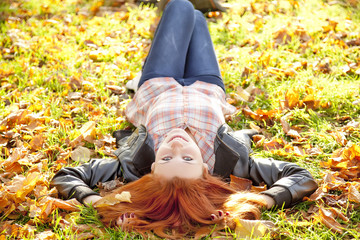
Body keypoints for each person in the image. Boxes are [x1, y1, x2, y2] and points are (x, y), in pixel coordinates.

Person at [51, 0, 318, 238]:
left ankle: (167, 22)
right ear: (204, 170)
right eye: (187, 159)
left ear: (153, 170)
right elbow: (301, 176)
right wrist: (263, 202)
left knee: (180, 6)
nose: (176, 147)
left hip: (158, 83)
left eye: (166, 158)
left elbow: (68, 175)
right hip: (207, 84)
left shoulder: (133, 166)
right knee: (198, 18)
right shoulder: (232, 164)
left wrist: (97, 202)